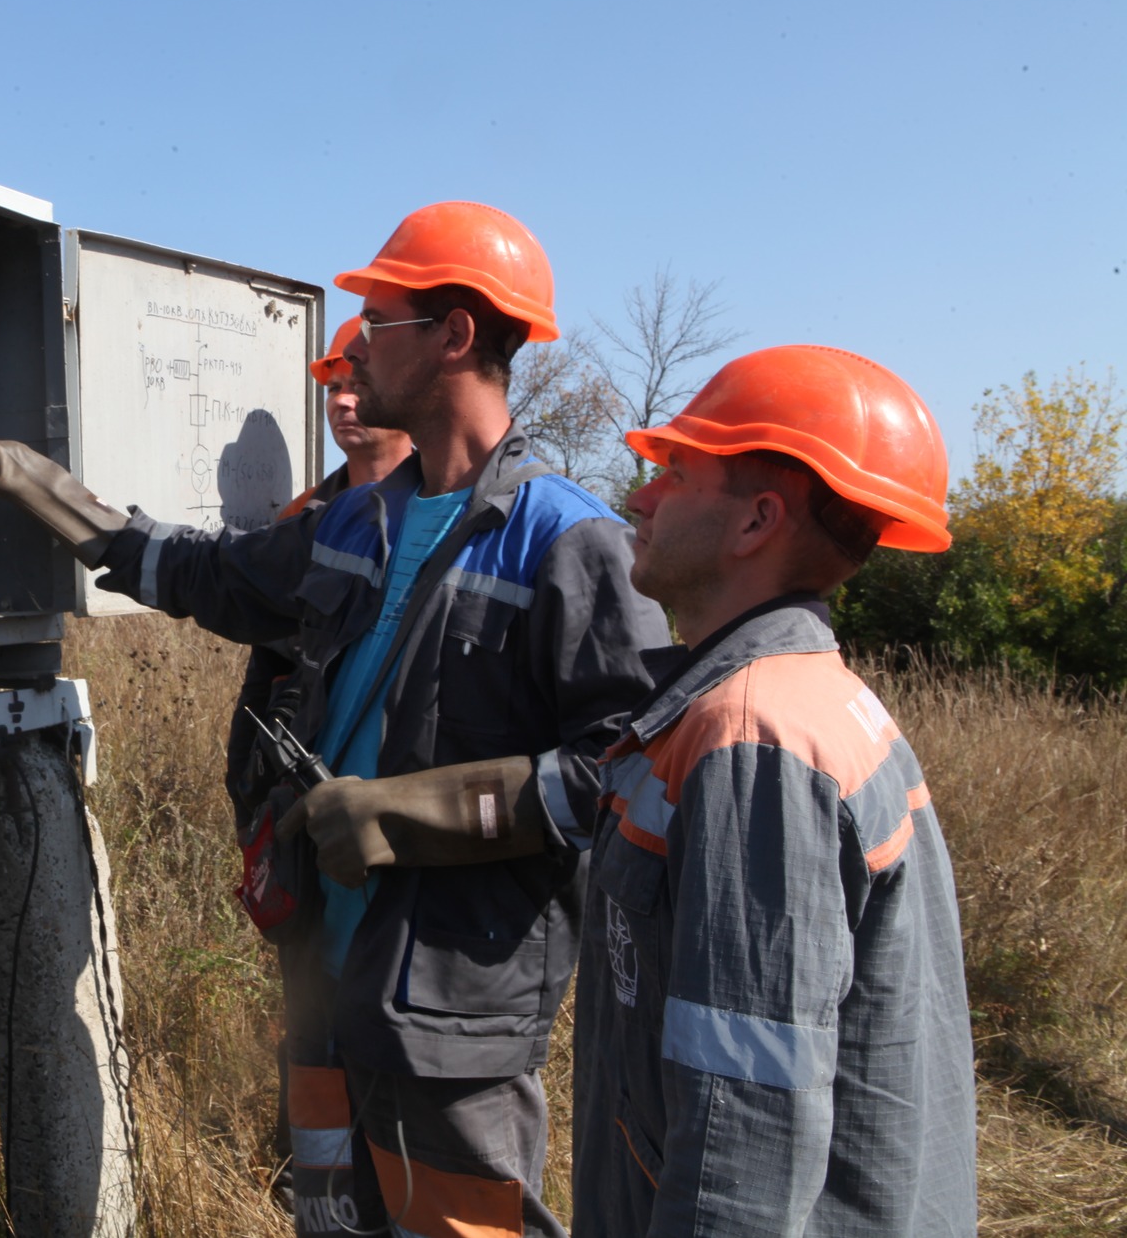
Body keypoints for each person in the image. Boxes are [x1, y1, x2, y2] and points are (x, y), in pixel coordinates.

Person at [0, 202, 669, 1238]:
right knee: (331, 1217)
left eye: (378, 320)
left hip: (447, 1008)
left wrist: (413, 811)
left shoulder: (566, 544)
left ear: (455, 335)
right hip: (326, 975)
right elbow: (208, 576)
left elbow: (625, 769)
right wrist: (58, 498)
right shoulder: (353, 520)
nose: (354, 352)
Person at [287, 344, 978, 1234]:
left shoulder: (752, 744)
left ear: (756, 521)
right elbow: (583, 790)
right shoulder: (793, 700)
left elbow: (744, 1132)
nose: (639, 497)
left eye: (676, 473)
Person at [226, 319, 413, 1212]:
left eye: (354, 382)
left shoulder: (443, 521)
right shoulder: (308, 518)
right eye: (329, 384)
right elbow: (265, 685)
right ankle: (312, 1192)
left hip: (406, 861)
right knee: (309, 1031)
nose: (340, 399)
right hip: (302, 834)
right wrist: (256, 806)